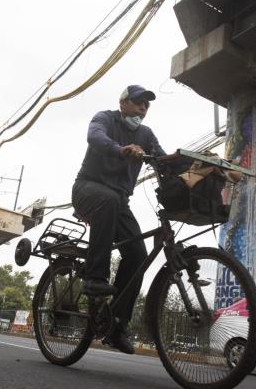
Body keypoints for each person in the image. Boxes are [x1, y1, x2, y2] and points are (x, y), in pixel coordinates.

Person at [72, 85, 166, 354]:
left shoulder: (146, 134)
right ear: (123, 102)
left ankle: (116, 324)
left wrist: (199, 163)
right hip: (87, 188)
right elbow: (95, 137)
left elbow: (162, 158)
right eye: (138, 102)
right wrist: (120, 149)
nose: (143, 108)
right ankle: (95, 277)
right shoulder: (104, 118)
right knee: (109, 200)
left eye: (147, 105)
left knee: (138, 254)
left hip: (118, 201)